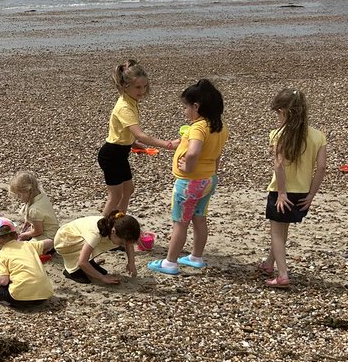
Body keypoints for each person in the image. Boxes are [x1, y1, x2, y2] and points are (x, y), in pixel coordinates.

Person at [148, 79, 229, 276]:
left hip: (190, 182)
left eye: (185, 107)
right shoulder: (219, 126)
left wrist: (189, 167)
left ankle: (170, 262)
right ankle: (196, 257)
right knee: (199, 218)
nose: (184, 112)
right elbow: (216, 153)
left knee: (180, 222)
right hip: (209, 179)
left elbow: (193, 152)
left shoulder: (198, 127)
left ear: (196, 106)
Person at [258, 89, 328, 289]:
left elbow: (278, 165)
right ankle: (269, 264)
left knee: (276, 231)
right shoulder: (318, 136)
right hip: (303, 191)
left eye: (278, 114)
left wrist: (281, 193)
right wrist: (311, 195)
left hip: (282, 190)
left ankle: (283, 275)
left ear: (283, 112)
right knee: (283, 228)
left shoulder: (278, 135)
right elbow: (321, 167)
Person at [98, 59, 179, 217]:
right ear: (125, 86)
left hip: (121, 152)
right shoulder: (125, 107)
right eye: (138, 87)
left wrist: (133, 143)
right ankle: (100, 231)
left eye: (144, 86)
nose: (142, 91)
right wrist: (168, 144)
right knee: (115, 196)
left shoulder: (131, 100)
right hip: (111, 155)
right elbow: (140, 134)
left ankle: (119, 224)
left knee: (128, 190)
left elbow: (120, 131)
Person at [54, 211, 141, 285]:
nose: (123, 245)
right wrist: (102, 278)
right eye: (121, 242)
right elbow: (82, 262)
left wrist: (131, 263)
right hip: (66, 240)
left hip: (80, 237)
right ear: (113, 231)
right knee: (85, 273)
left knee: (96, 247)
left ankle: (89, 263)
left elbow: (129, 244)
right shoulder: (96, 235)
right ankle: (72, 271)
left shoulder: (114, 226)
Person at [0, 218, 54, 307]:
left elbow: (3, 281)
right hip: (44, 296)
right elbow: (50, 242)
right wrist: (45, 250)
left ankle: (3, 299)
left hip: (20, 299)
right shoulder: (28, 245)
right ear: (16, 235)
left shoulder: (0, 255)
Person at [9, 171, 59, 240]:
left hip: (48, 236)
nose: (19, 198)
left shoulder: (34, 210)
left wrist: (24, 235)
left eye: (19, 195)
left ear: (28, 191)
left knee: (28, 246)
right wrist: (26, 225)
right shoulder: (41, 195)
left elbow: (38, 231)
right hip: (53, 229)